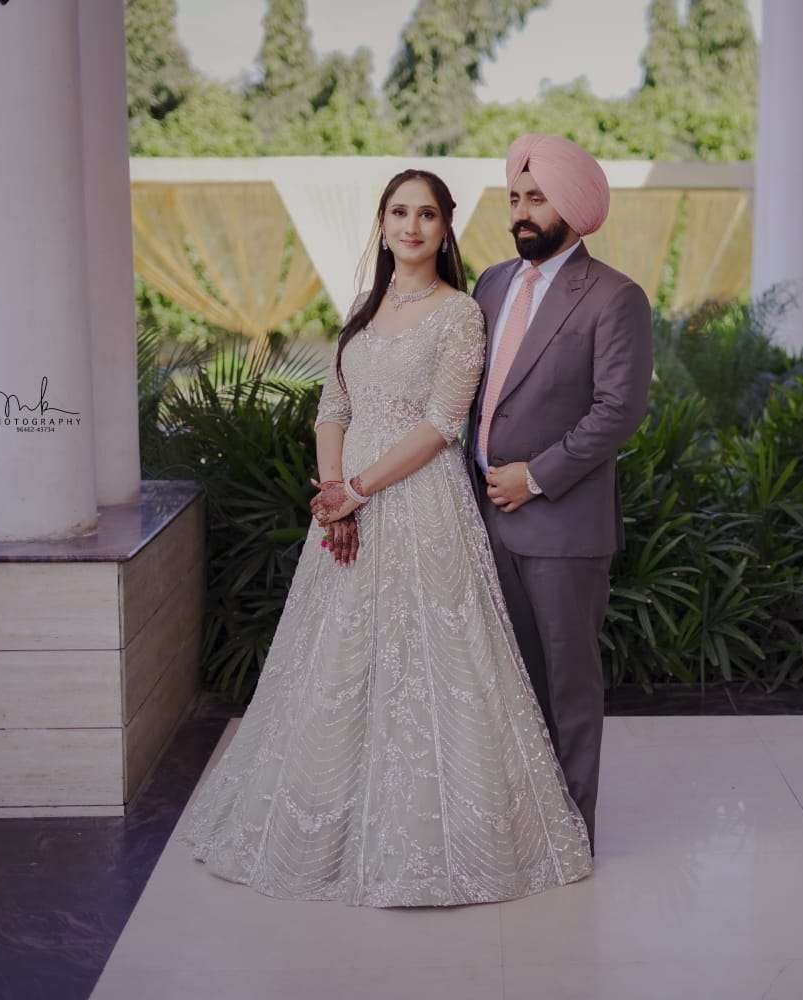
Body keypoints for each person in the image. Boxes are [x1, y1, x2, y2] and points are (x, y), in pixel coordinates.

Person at [181, 169, 593, 907]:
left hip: (421, 501)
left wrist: (359, 490)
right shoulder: (362, 309)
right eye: (399, 212)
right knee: (337, 660)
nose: (411, 226)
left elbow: (441, 426)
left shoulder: (460, 313)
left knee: (434, 663)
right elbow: (332, 406)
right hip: (349, 503)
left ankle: (443, 841)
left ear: (445, 227)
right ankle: (326, 828)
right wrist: (332, 494)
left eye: (426, 214)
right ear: (382, 223)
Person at [468, 135, 654, 850]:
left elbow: (618, 411)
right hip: (481, 518)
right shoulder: (491, 284)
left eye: (537, 199)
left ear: (573, 207)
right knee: (506, 684)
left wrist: (536, 475)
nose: (521, 212)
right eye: (515, 198)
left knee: (567, 684)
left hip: (562, 526)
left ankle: (571, 834)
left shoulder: (615, 297)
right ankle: (520, 827)